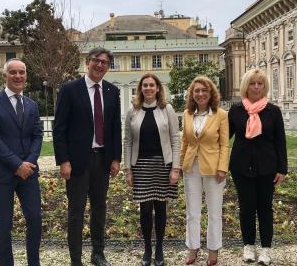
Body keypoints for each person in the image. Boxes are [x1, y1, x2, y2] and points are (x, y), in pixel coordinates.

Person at [52, 47, 121, 266]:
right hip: (77, 162)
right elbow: (59, 128)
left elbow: (114, 128)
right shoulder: (70, 89)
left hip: (102, 160)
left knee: (99, 209)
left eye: (105, 63)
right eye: (96, 61)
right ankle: (76, 259)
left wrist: (116, 158)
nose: (100, 65)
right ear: (87, 63)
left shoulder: (112, 91)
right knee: (76, 212)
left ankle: (98, 254)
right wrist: (64, 160)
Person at [0, 58, 43, 266]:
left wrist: (29, 163)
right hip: (2, 173)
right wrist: (17, 165)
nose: (18, 76)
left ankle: (34, 263)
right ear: (4, 76)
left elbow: (37, 136)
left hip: (29, 171)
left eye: (22, 72)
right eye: (13, 72)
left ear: (26, 76)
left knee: (35, 219)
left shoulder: (32, 105)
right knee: (4, 224)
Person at [228, 68, 287, 266]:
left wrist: (282, 169)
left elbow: (280, 142)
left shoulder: (273, 111)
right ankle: (248, 246)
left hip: (267, 167)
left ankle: (266, 249)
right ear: (246, 86)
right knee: (246, 208)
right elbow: (223, 138)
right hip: (241, 166)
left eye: (260, 83)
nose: (256, 87)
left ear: (264, 86)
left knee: (265, 208)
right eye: (252, 83)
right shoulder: (236, 110)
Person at [123, 73, 180, 266]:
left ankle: (160, 249)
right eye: (144, 85)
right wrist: (128, 170)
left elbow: (175, 139)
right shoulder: (133, 110)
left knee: (161, 208)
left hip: (163, 165)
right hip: (141, 166)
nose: (148, 88)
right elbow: (128, 141)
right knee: (145, 209)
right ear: (141, 88)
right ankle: (147, 249)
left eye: (151, 85)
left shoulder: (167, 109)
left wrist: (175, 168)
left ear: (157, 88)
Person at [180, 76, 229, 266]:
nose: (200, 94)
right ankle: (193, 247)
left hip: (214, 168)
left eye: (204, 91)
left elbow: (225, 144)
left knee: (214, 211)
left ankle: (213, 249)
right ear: (192, 94)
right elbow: (185, 141)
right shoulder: (187, 114)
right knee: (192, 211)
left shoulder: (221, 115)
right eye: (197, 91)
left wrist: (222, 168)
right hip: (191, 167)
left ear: (211, 94)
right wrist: (180, 164)